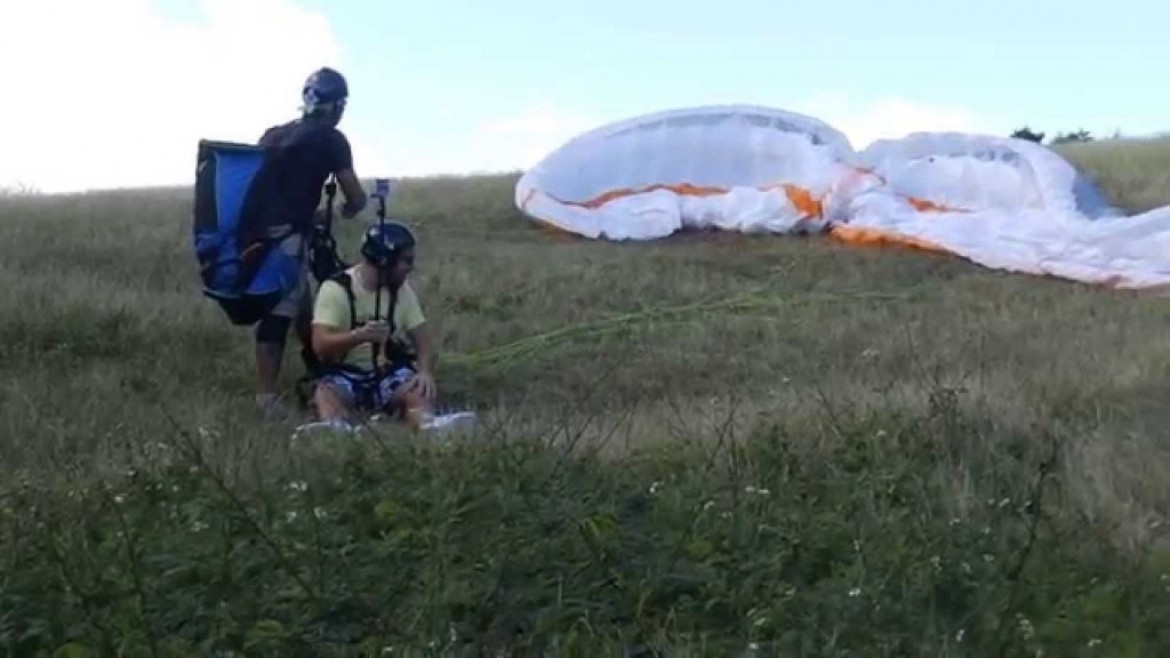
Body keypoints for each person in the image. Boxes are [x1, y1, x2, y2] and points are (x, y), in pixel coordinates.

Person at [252, 66, 368, 418]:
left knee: (306, 311)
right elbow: (355, 195)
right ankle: (267, 398)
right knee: (278, 313)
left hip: (257, 238)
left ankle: (322, 375)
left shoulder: (273, 135)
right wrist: (347, 209)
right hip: (288, 242)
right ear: (336, 106)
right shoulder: (332, 139)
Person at [308, 220, 448, 431]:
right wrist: (358, 336)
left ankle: (427, 424)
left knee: (417, 390)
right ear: (385, 262)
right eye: (406, 261)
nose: (410, 268)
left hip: (387, 373)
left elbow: (422, 339)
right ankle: (337, 429)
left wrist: (425, 372)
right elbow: (320, 344)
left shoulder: (402, 291)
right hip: (345, 373)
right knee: (326, 392)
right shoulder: (336, 289)